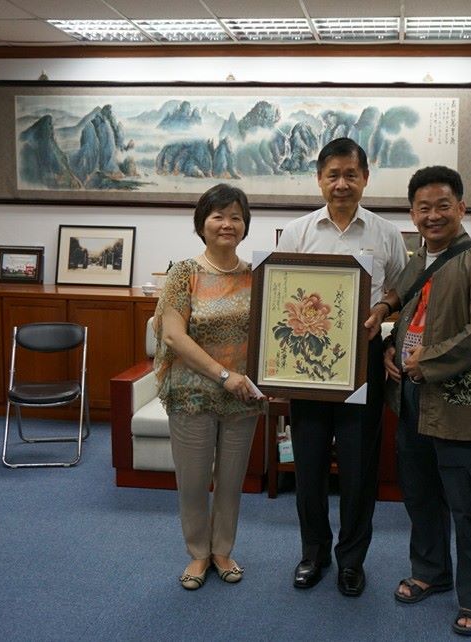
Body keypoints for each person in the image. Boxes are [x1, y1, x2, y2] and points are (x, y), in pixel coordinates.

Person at [376, 166, 471, 636]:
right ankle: (431, 571)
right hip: (412, 400)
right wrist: (391, 348)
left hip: (462, 406)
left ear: (460, 208)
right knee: (421, 494)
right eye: (423, 208)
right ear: (412, 213)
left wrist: (427, 362)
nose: (432, 216)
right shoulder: (417, 261)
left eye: (442, 206)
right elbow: (406, 316)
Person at [276, 137, 408, 597]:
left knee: (358, 468)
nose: (342, 184)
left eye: (351, 174)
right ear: (319, 179)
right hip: (306, 365)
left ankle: (352, 560)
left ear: (366, 178)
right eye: (332, 175)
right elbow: (280, 292)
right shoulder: (298, 232)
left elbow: (401, 291)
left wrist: (383, 312)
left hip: (362, 360)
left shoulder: (386, 234)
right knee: (308, 465)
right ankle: (313, 553)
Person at [153, 183, 263, 591]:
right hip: (192, 394)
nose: (227, 224)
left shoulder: (257, 275)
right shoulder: (184, 273)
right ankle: (199, 553)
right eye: (218, 216)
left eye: (236, 216)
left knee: (232, 482)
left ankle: (223, 550)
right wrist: (223, 375)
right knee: (194, 482)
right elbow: (173, 335)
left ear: (245, 225)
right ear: (202, 224)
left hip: (242, 397)